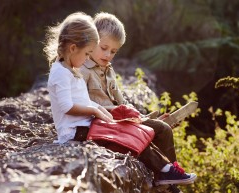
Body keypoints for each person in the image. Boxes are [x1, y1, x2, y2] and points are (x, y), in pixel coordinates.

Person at [79, 12, 197, 191]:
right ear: (91, 41)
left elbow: (120, 98)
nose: (108, 54)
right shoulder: (83, 70)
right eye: (104, 48)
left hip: (120, 117)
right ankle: (167, 174)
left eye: (113, 51)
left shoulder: (108, 70)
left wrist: (138, 115)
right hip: (104, 122)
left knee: (162, 129)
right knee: (139, 136)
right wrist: (123, 115)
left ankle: (170, 175)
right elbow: (86, 103)